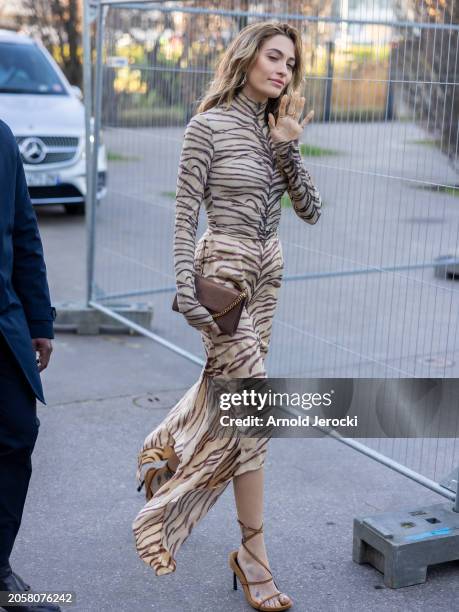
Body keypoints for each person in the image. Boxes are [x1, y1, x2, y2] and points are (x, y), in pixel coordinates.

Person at [133, 21, 322, 611]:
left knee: (231, 396)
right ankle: (253, 556)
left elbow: (311, 210)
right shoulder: (207, 127)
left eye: (290, 63)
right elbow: (185, 213)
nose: (283, 70)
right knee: (255, 409)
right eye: (274, 57)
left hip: (269, 272)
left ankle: (164, 446)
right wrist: (185, 285)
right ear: (245, 59)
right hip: (224, 269)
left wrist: (287, 146)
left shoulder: (277, 130)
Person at [0, 119, 59, 612]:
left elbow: (23, 230)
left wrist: (39, 317)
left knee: (17, 436)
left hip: (3, 324)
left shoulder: (0, 137)